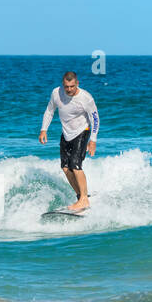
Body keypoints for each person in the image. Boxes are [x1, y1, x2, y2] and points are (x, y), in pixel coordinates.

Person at [39, 71, 100, 211]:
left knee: (75, 165)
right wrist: (44, 129)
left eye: (72, 86)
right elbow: (49, 111)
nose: (69, 89)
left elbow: (95, 119)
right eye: (66, 86)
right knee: (66, 167)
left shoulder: (85, 98)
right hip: (66, 134)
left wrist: (93, 140)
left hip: (82, 132)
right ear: (63, 84)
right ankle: (81, 197)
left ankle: (84, 200)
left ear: (77, 84)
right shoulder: (56, 93)